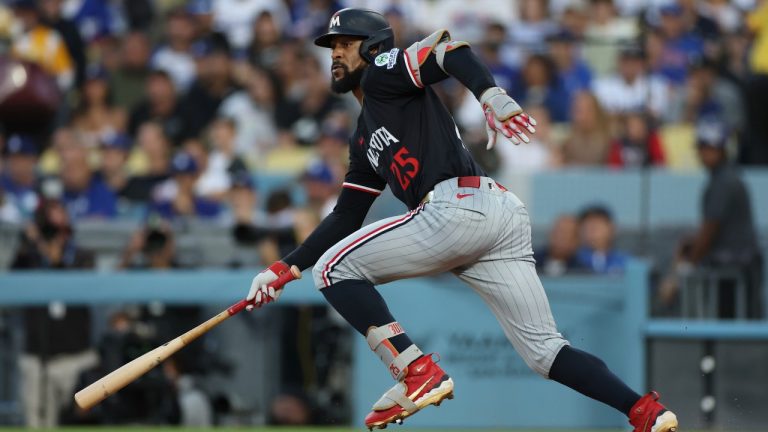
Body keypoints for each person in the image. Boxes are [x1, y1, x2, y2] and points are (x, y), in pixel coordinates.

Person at [242, 8, 678, 432]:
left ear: (372, 47)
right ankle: (643, 411)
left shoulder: (381, 71)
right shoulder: (362, 136)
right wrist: (283, 268)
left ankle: (416, 370)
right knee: (545, 353)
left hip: (457, 207)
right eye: (331, 46)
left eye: (345, 44)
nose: (335, 53)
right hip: (493, 216)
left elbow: (449, 50)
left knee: (335, 269)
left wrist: (490, 94)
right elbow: (347, 214)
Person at [677, 120, 763, 318]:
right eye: (702, 147)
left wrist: (690, 263)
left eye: (710, 148)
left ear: (722, 150)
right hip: (737, 264)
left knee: (732, 325)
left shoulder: (723, 181)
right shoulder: (724, 178)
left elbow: (710, 230)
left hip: (734, 266)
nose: (704, 153)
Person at [575, 205, 629, 274]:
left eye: (597, 224)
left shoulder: (625, 262)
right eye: (587, 225)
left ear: (612, 228)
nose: (592, 230)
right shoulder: (572, 261)